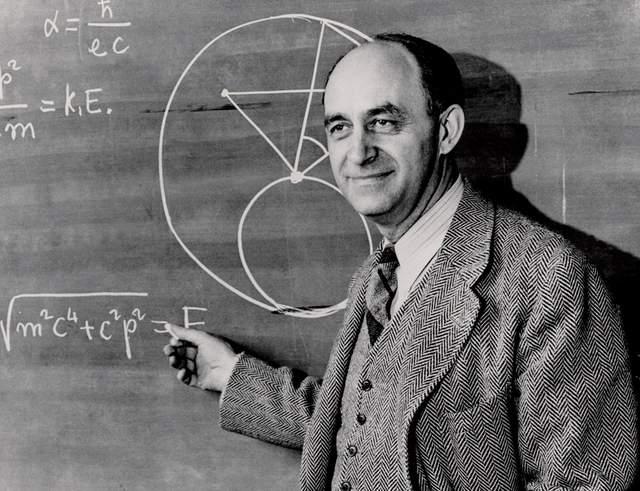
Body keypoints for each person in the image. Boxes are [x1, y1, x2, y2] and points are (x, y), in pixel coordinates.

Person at [163, 33, 637, 490]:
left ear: (446, 131)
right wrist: (229, 375)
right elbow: (366, 425)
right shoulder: (377, 274)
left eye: (384, 122)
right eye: (340, 127)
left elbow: (583, 482)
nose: (358, 152)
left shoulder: (548, 276)